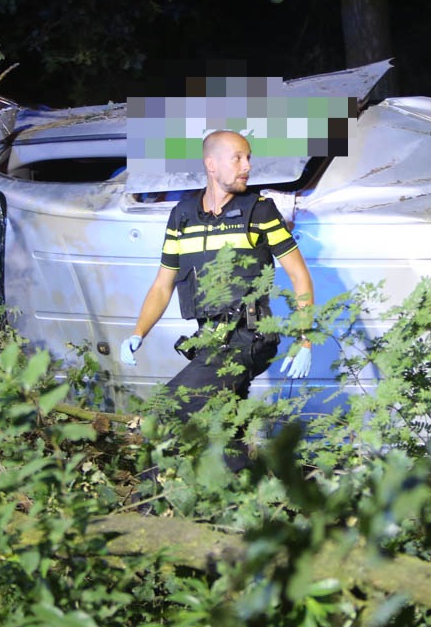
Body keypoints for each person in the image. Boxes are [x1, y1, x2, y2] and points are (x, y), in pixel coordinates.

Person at [120, 130, 315, 422]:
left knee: (164, 413)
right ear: (211, 165)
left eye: (248, 158)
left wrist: (305, 339)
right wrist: (139, 332)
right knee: (224, 429)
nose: (247, 166)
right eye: (238, 158)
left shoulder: (259, 212)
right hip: (210, 339)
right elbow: (162, 285)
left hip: (248, 338)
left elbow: (300, 276)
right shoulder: (182, 217)